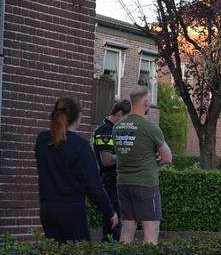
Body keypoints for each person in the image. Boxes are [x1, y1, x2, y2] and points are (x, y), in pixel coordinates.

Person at [34, 97, 117, 242]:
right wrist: (109, 212)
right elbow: (93, 186)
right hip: (72, 211)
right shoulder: (81, 146)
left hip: (47, 208)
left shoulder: (42, 140)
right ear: (78, 117)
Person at [112, 87, 172, 244]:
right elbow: (167, 158)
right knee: (151, 232)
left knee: (127, 231)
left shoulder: (117, 127)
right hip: (145, 184)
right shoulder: (150, 127)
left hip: (123, 183)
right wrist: (155, 161)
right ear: (146, 102)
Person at [93, 98, 131, 241]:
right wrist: (127, 154)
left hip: (117, 181)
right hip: (109, 182)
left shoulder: (116, 130)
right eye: (127, 118)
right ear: (120, 113)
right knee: (112, 225)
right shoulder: (105, 131)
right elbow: (107, 160)